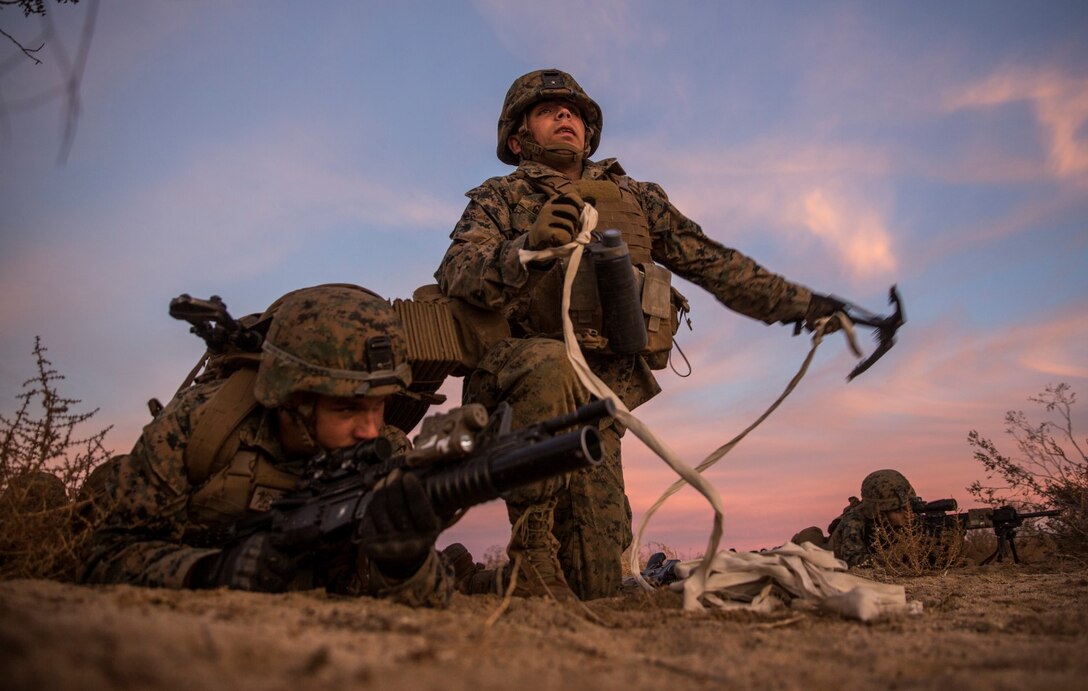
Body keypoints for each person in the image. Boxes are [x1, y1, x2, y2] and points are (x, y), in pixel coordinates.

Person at [434, 68, 857, 601]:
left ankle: (469, 575)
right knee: (548, 367)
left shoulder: (633, 197)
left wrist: (807, 305)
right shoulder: (499, 198)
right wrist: (526, 248)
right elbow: (455, 273)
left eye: (576, 112)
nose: (566, 117)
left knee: (599, 585)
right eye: (548, 111)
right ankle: (530, 550)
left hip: (599, 400)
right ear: (519, 140)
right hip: (515, 387)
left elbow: (714, 263)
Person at [79, 284, 454, 607]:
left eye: (379, 405)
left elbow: (431, 600)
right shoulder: (199, 426)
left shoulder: (387, 452)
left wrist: (407, 563)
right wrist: (210, 571)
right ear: (291, 399)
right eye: (347, 408)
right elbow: (103, 557)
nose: (370, 430)